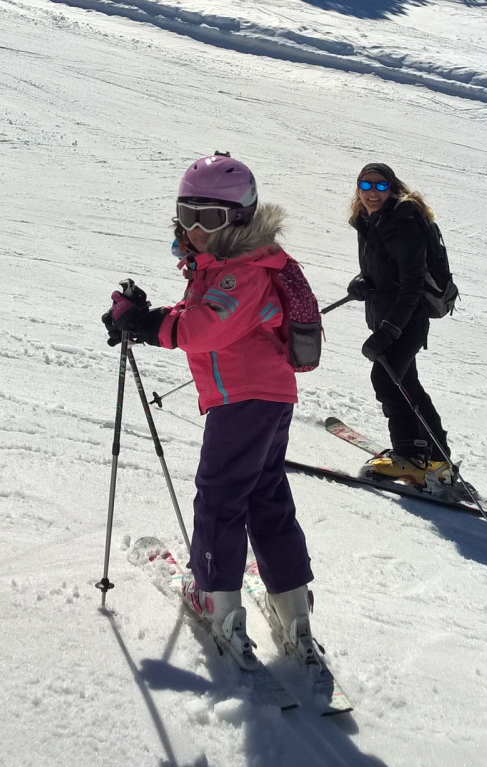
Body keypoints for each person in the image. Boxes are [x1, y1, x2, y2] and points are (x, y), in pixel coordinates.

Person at [102, 154, 319, 668]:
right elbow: (201, 312)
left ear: (240, 218)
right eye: (188, 213)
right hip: (266, 399)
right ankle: (293, 610)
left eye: (212, 218)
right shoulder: (230, 265)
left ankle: (218, 602)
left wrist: (150, 325)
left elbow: (206, 327)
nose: (197, 229)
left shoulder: (241, 271)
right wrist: (146, 316)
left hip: (244, 401)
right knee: (265, 495)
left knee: (220, 498)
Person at [346, 163, 452, 486]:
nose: (373, 193)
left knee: (387, 378)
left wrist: (388, 332)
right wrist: (362, 282)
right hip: (389, 316)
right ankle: (438, 458)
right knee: (407, 384)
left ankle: (409, 457)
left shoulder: (402, 221)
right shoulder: (370, 221)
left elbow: (411, 285)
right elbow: (384, 270)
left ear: (391, 188)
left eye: (380, 187)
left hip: (406, 320)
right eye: (367, 186)